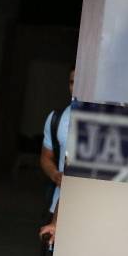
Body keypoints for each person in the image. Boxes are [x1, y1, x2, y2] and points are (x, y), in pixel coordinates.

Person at [40, 67, 75, 218]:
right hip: (57, 206)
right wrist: (55, 175)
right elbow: (46, 157)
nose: (75, 87)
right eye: (72, 82)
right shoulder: (57, 118)